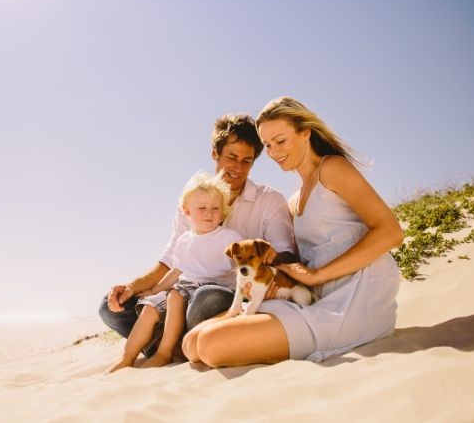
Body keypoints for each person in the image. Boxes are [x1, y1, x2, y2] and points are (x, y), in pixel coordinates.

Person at [183, 96, 403, 367]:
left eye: (280, 140)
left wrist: (317, 275)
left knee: (210, 345)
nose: (274, 152)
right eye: (267, 145)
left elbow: (391, 232)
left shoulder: (332, 168)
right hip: (314, 297)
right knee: (191, 343)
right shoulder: (293, 200)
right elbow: (298, 262)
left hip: (355, 298)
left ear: (305, 133)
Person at [99, 114, 296, 354]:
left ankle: (173, 344)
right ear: (215, 153)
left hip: (226, 294)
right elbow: (171, 260)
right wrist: (132, 287)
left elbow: (285, 254)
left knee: (206, 298)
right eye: (231, 157)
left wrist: (262, 273)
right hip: (182, 292)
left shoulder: (269, 200)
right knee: (110, 308)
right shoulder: (192, 200)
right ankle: (180, 345)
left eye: (247, 161)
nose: (238, 167)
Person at [106, 171, 241, 373]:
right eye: (202, 208)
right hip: (186, 286)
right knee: (151, 307)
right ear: (187, 212)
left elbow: (242, 268)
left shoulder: (229, 237)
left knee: (176, 295)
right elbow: (177, 271)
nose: (209, 213)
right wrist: (155, 290)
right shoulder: (184, 240)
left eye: (215, 208)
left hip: (214, 289)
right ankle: (126, 359)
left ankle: (164, 353)